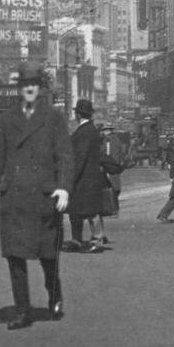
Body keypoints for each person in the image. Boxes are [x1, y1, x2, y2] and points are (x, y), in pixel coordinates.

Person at [0, 66, 74, 330]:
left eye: (33, 84)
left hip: (44, 198)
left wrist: (64, 187)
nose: (29, 89)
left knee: (48, 257)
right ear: (19, 89)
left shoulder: (53, 117)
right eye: (25, 85)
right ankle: (22, 311)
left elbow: (65, 155)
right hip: (15, 200)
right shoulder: (7, 120)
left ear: (40, 88)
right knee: (15, 257)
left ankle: (54, 295)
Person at [66, 98, 105, 252]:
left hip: (83, 178)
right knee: (82, 210)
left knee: (88, 211)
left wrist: (71, 177)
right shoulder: (92, 130)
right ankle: (84, 240)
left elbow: (80, 158)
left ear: (77, 115)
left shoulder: (83, 132)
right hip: (91, 177)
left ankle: (94, 240)